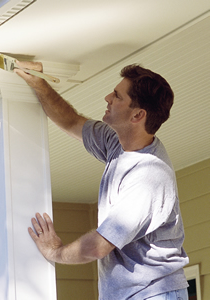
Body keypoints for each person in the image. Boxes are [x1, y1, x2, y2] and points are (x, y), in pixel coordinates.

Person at [15, 61, 189, 300]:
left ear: (138, 115)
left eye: (117, 96)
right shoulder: (117, 142)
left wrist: (54, 251)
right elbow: (71, 121)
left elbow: (98, 246)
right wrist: (39, 83)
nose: (108, 97)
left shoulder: (148, 177)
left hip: (152, 294)